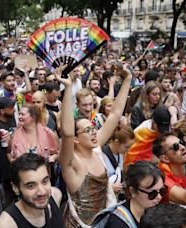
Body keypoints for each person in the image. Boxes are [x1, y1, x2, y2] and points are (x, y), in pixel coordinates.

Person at [59, 64, 132, 227]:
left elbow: (114, 114)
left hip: (105, 222)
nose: (94, 133)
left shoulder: (96, 148)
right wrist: (68, 87)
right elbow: (67, 133)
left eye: (93, 129)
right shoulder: (70, 162)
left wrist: (127, 79)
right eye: (87, 130)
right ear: (76, 139)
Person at [0, 153, 63, 228]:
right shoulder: (6, 225)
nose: (42, 192)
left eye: (45, 181)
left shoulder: (55, 196)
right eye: (31, 186)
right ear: (15, 188)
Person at [104, 161, 165, 227]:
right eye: (152, 193)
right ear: (133, 191)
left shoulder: (156, 212)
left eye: (162, 191)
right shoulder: (117, 223)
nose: (159, 197)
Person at [102, 124, 135, 196]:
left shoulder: (121, 154)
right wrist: (110, 188)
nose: (128, 150)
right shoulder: (102, 156)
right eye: (126, 147)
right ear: (116, 142)